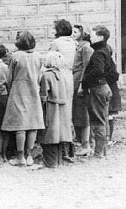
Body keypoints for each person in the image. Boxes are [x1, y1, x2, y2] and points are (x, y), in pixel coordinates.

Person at [1, 31, 44, 167]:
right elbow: (39, 75)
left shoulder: (16, 56)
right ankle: (29, 155)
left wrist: (10, 89)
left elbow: (9, 77)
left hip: (18, 91)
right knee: (32, 124)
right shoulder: (38, 56)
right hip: (33, 91)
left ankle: (20, 157)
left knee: (20, 125)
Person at [81, 25, 115, 158]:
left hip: (97, 89)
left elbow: (98, 71)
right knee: (104, 120)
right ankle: (103, 151)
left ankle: (99, 153)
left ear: (100, 37)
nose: (90, 37)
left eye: (93, 35)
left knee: (97, 121)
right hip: (105, 87)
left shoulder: (98, 53)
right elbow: (113, 73)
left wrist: (85, 81)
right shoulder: (106, 50)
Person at [38, 51, 72, 168]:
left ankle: (50, 163)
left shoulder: (46, 76)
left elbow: (43, 95)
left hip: (51, 108)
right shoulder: (63, 75)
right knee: (60, 134)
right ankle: (59, 161)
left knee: (49, 133)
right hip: (63, 108)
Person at [49, 19, 77, 162]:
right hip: (69, 76)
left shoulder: (56, 43)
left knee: (58, 111)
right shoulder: (73, 43)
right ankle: (70, 148)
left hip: (58, 75)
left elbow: (50, 60)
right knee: (68, 110)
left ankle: (59, 148)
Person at [72, 25, 94, 157]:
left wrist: (82, 84)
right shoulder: (79, 46)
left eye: (76, 32)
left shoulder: (86, 47)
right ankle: (83, 143)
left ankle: (86, 145)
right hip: (75, 81)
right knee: (78, 114)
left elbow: (87, 67)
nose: (73, 34)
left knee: (83, 115)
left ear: (82, 33)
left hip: (80, 82)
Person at [106, 44, 122, 147]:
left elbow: (114, 75)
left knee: (109, 115)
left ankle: (108, 139)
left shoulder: (109, 62)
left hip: (110, 92)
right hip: (110, 91)